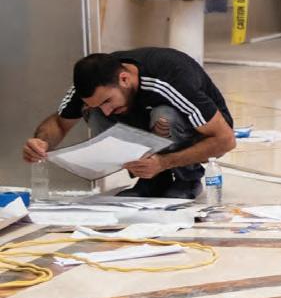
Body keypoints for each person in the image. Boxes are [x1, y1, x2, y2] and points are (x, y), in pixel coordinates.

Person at [22, 49, 237, 200]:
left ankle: (186, 179)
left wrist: (164, 162)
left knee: (164, 117)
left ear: (124, 79)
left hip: (201, 130)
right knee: (95, 115)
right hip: (148, 124)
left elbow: (225, 140)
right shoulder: (94, 87)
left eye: (107, 101)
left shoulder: (169, 79)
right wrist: (41, 142)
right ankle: (152, 180)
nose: (107, 110)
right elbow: (59, 123)